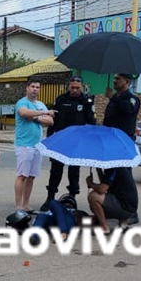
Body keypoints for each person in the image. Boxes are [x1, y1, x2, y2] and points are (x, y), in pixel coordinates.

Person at [43, 75, 96, 209]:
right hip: (61, 139)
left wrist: (90, 141)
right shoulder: (61, 99)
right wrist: (49, 137)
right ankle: (50, 198)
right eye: (72, 87)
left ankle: (72, 197)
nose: (74, 90)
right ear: (68, 86)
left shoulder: (87, 102)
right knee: (56, 170)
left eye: (77, 88)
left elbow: (91, 122)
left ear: (82, 87)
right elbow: (53, 120)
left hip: (77, 141)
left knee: (74, 171)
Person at [14, 76, 53, 211]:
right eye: (33, 87)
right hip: (24, 144)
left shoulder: (41, 104)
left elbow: (50, 121)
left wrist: (36, 117)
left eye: (37, 87)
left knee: (31, 176)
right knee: (22, 175)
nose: (35, 90)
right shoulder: (22, 102)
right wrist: (42, 114)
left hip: (37, 144)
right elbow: (24, 113)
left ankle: (26, 204)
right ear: (27, 87)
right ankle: (19, 206)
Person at [86, 167, 139, 233]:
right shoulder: (122, 166)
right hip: (130, 207)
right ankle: (122, 223)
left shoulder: (113, 168)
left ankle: (104, 227)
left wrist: (91, 184)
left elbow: (102, 189)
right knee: (93, 208)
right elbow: (106, 183)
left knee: (93, 196)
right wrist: (99, 170)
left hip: (125, 207)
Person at [102, 73, 140, 139]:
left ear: (127, 82)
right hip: (110, 136)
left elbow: (128, 109)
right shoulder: (114, 98)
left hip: (124, 138)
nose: (114, 81)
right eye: (114, 78)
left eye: (118, 79)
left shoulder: (132, 98)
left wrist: (112, 98)